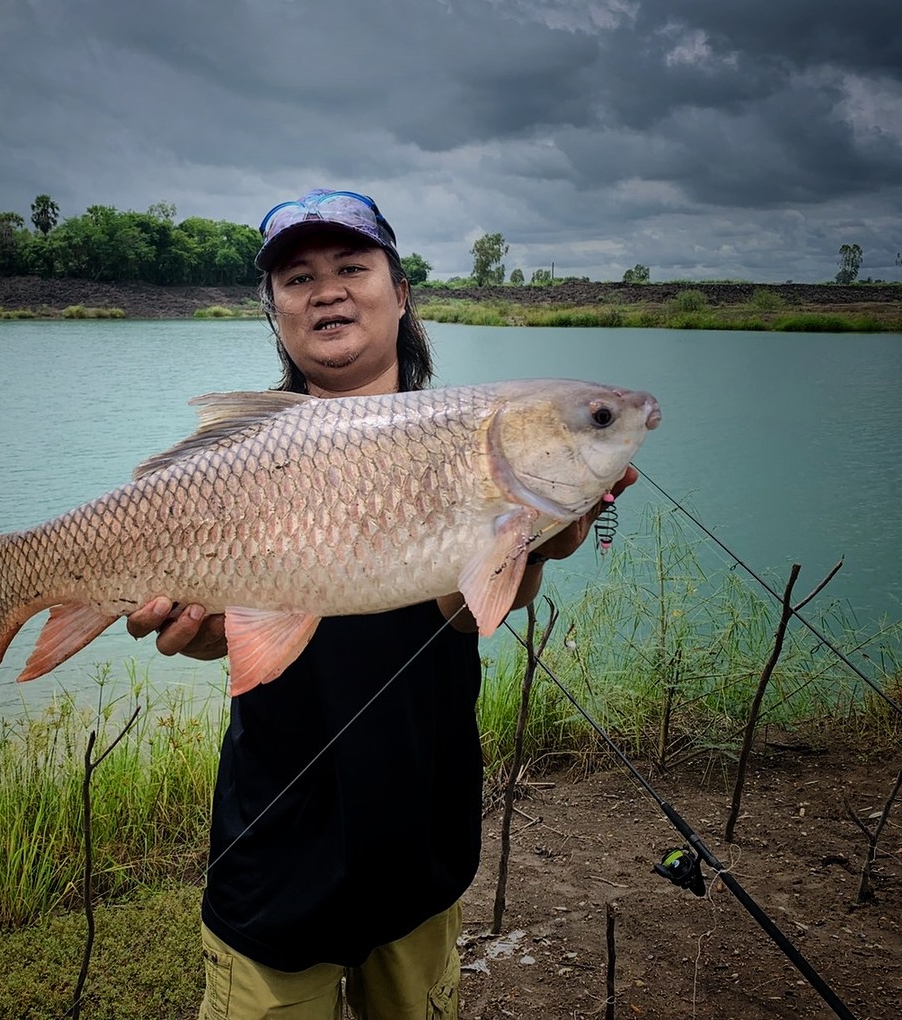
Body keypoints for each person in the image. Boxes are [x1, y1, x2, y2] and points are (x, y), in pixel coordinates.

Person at [126, 189, 637, 1019]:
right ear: (276, 313)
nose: (326, 289)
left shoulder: (471, 433)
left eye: (352, 267)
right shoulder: (248, 452)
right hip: (275, 848)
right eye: (298, 278)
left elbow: (467, 615)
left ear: (401, 294)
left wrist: (534, 544)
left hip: (420, 845)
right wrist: (205, 631)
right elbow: (224, 635)